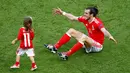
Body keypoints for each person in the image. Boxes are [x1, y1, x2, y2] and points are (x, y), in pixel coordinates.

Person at [44, 7, 117, 60]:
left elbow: (104, 30)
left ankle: (66, 55)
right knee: (71, 30)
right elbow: (73, 17)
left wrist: (109, 36)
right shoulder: (85, 19)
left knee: (84, 37)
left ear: (91, 15)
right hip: (89, 41)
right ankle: (55, 48)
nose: (84, 14)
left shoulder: (97, 23)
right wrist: (62, 13)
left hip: (97, 46)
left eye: (86, 13)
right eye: (84, 13)